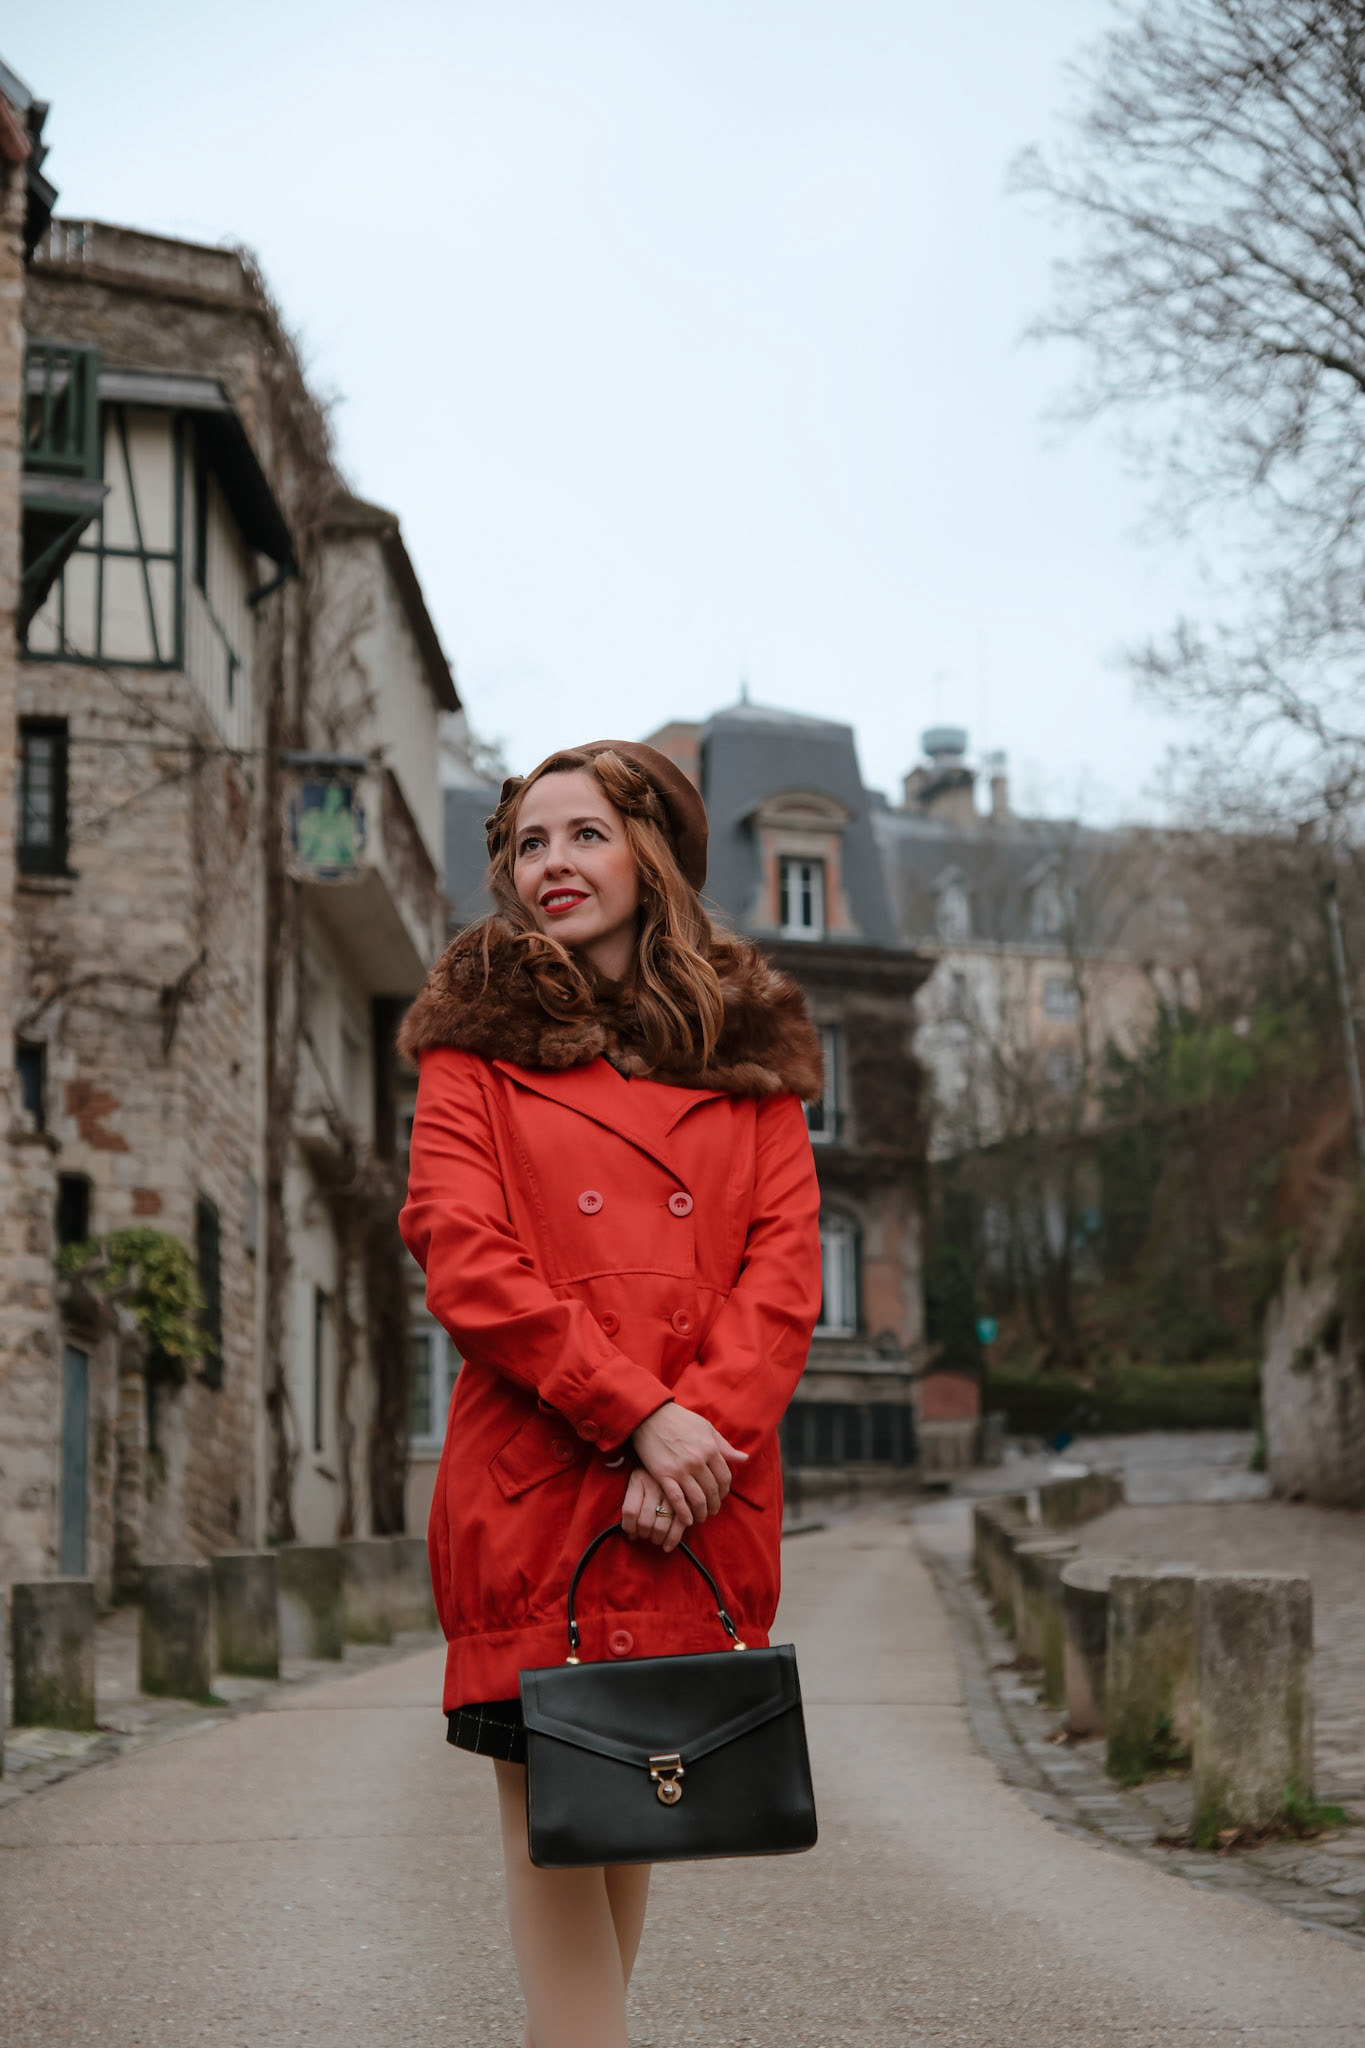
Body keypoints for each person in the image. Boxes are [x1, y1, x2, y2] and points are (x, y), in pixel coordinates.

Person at [397, 740, 824, 2048]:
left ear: (650, 854)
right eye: (529, 842)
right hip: (541, 1483)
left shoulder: (749, 1066)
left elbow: (781, 1282)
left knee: (632, 1803)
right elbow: (463, 1256)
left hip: (695, 1494)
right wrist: (639, 1415)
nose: (554, 864)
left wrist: (695, 1440)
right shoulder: (472, 1055)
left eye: (584, 834)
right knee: (556, 1818)